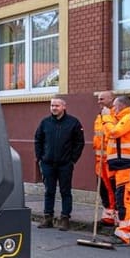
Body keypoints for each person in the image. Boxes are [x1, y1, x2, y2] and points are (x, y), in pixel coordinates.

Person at [34, 96, 85, 231]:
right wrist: (40, 157)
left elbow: (79, 143)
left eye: (57, 106)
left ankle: (65, 218)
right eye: (52, 106)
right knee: (49, 191)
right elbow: (38, 139)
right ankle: (47, 218)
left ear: (64, 107)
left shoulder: (73, 123)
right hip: (48, 163)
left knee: (65, 191)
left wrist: (72, 159)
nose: (54, 108)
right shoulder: (45, 123)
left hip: (65, 164)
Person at [102, 95, 130, 244]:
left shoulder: (129, 118)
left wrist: (106, 119)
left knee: (125, 201)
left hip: (127, 167)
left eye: (115, 106)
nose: (113, 109)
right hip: (121, 166)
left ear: (121, 106)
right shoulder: (121, 118)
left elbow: (115, 132)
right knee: (125, 199)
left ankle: (124, 234)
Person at [94, 91, 117, 225]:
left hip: (112, 160)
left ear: (111, 99)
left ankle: (119, 219)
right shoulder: (100, 115)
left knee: (114, 189)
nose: (99, 101)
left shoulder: (116, 115)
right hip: (100, 160)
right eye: (98, 99)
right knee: (103, 188)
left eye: (102, 99)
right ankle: (108, 216)